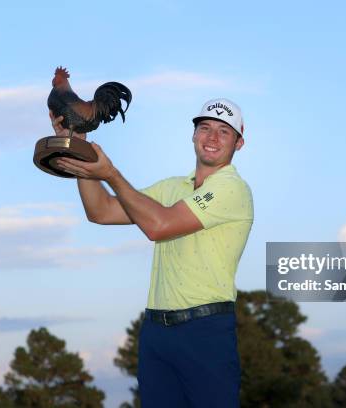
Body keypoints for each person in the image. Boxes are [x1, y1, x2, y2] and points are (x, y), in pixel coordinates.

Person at [50, 98, 254, 408]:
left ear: (239, 143)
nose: (212, 138)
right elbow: (101, 211)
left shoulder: (233, 189)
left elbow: (158, 225)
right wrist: (79, 144)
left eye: (224, 132)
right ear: (193, 135)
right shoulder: (172, 187)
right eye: (205, 128)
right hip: (156, 332)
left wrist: (112, 175)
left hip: (205, 332)